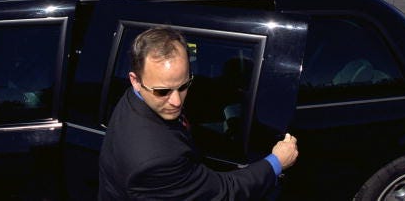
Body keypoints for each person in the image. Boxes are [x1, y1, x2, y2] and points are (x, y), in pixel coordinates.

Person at [98, 27, 299, 200]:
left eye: (184, 85)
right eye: (163, 91)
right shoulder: (156, 160)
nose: (176, 101)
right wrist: (277, 162)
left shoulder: (138, 93)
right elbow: (224, 192)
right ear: (135, 80)